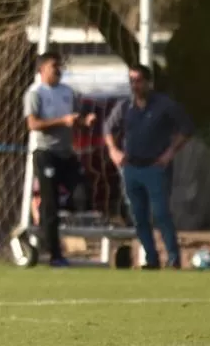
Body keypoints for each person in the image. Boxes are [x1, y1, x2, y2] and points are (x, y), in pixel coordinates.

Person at [103, 64, 193, 269]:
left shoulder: (164, 105)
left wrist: (170, 153)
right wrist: (113, 150)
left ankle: (173, 258)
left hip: (155, 167)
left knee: (161, 214)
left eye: (139, 80)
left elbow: (186, 128)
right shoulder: (125, 106)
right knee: (139, 216)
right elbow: (108, 128)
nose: (135, 85)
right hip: (131, 168)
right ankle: (151, 259)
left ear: (148, 82)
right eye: (132, 81)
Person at [23, 52, 96, 267]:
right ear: (42, 69)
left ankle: (51, 216)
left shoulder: (67, 92)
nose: (58, 69)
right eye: (54, 66)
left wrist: (84, 122)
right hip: (46, 153)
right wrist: (62, 121)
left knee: (82, 194)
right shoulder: (35, 93)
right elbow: (33, 124)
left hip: (66, 153)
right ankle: (54, 253)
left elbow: (74, 120)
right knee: (50, 204)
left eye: (59, 65)